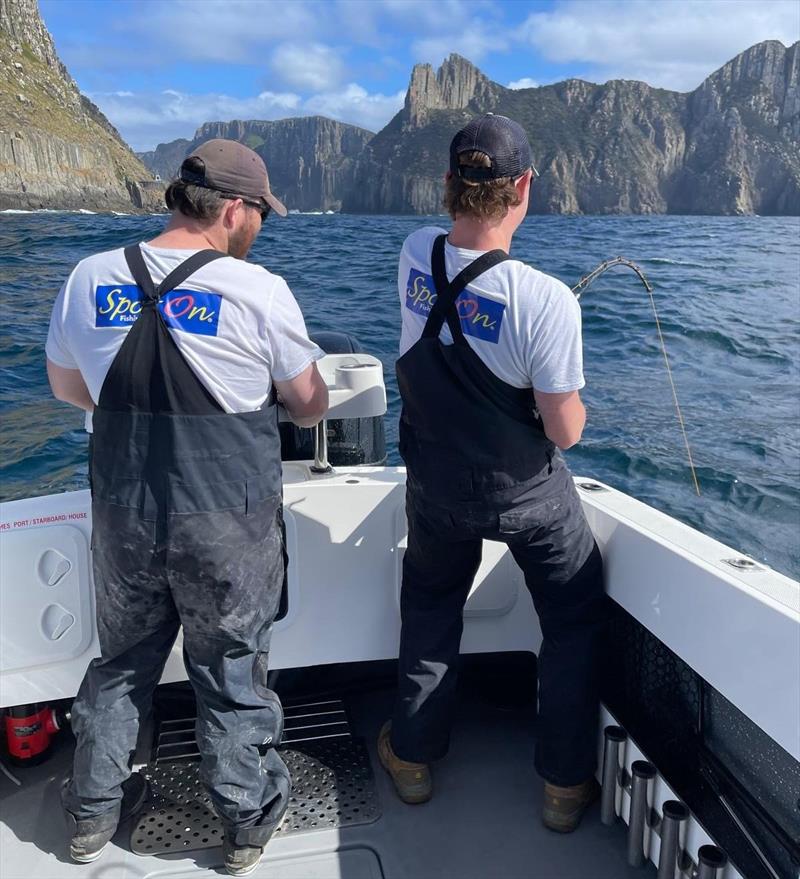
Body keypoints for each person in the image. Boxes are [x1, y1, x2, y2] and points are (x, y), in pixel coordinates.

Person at [46, 139, 328, 876]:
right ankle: (244, 822)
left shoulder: (88, 276)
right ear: (233, 209)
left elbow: (68, 387)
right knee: (231, 668)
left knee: (121, 664)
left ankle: (89, 816)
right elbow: (308, 401)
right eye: (261, 213)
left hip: (124, 513)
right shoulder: (258, 291)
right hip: (226, 523)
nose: (262, 226)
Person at [378, 114, 607, 833]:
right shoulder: (547, 301)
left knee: (432, 605)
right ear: (526, 188)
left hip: (437, 488)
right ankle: (564, 786)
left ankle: (412, 759)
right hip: (528, 497)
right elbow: (563, 430)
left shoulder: (417, 254)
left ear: (447, 186)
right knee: (571, 616)